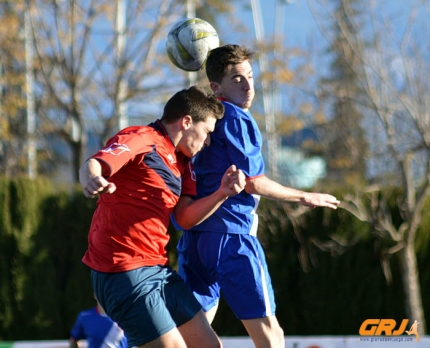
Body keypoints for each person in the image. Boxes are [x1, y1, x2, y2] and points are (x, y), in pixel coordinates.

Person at [176, 45, 341, 348]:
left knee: (191, 339)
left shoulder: (200, 118)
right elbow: (253, 183)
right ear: (216, 87)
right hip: (231, 238)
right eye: (237, 79)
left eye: (250, 76)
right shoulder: (236, 117)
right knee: (271, 335)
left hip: (195, 240)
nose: (249, 85)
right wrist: (304, 196)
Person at [79, 86, 246, 348]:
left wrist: (222, 193)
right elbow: (94, 163)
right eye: (207, 132)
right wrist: (91, 179)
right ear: (187, 121)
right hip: (122, 271)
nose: (208, 142)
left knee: (210, 345)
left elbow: (185, 218)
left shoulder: (184, 164)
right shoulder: (142, 137)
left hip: (159, 271)